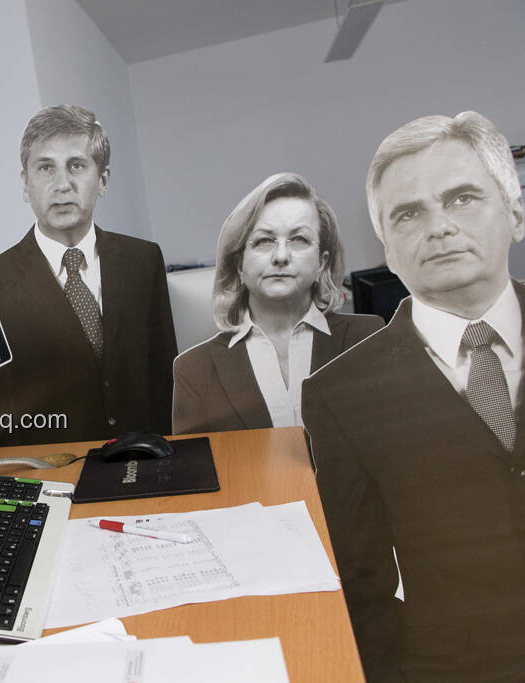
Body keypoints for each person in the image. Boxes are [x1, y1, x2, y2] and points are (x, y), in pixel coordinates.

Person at [303, 111, 525, 682]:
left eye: (462, 199)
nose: (440, 227)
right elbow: (361, 581)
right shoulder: (339, 395)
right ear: (387, 247)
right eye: (408, 213)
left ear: (515, 213)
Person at [0, 104, 176, 447]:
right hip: (54, 480)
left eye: (76, 166)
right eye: (45, 168)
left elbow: (165, 382)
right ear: (25, 184)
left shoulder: (144, 260)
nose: (62, 185)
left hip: (144, 463)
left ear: (103, 180)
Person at [172, 172, 381, 434]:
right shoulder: (194, 370)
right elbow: (197, 472)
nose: (281, 256)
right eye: (264, 241)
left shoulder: (370, 339)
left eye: (299, 239)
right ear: (239, 264)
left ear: (322, 262)